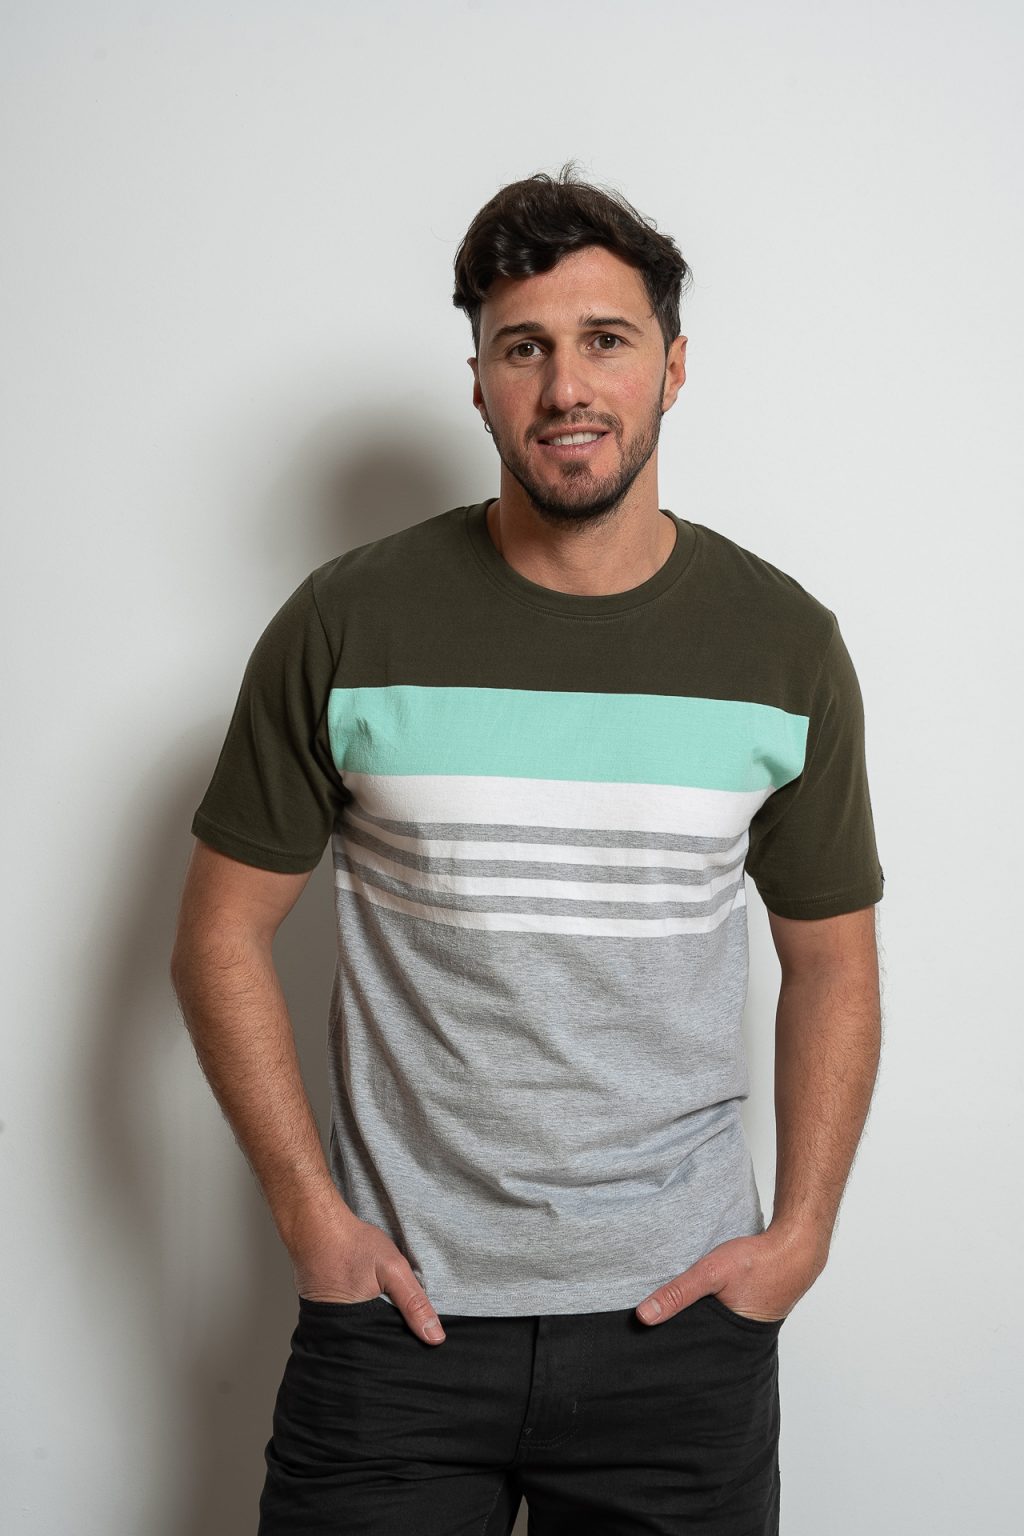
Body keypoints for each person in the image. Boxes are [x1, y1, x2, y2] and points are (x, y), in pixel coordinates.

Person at [171, 163, 885, 1535]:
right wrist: (312, 1219)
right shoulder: (345, 623)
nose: (567, 386)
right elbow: (218, 935)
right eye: (524, 347)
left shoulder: (782, 645)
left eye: (606, 340)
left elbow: (835, 963)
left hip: (679, 1334)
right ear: (481, 382)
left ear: (674, 367)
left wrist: (798, 1240)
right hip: (397, 1328)